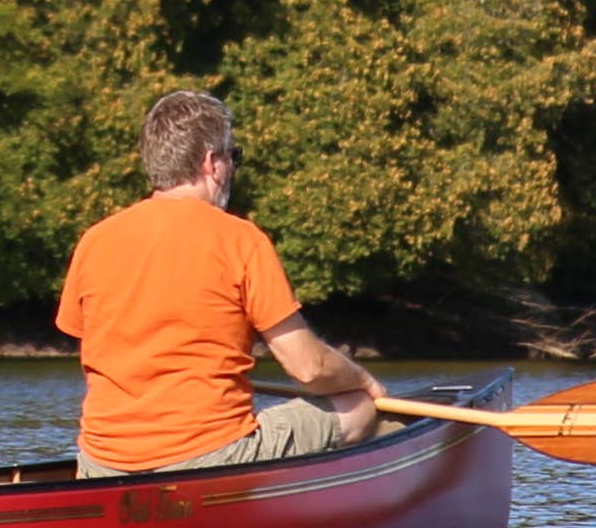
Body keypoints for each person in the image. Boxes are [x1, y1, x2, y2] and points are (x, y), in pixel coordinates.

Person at [57, 88, 382, 479]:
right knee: (358, 407)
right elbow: (309, 368)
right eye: (234, 157)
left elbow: (94, 348)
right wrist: (361, 378)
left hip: (101, 465)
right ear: (212, 162)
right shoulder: (241, 240)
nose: (232, 168)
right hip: (210, 457)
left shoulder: (95, 240)